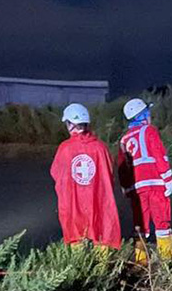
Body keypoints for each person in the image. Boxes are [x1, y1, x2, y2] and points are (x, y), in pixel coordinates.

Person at [50, 103, 122, 250]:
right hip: (97, 200)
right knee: (101, 232)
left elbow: (56, 174)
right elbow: (109, 173)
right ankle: (103, 270)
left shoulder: (65, 148)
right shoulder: (100, 147)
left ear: (70, 124)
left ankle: (80, 268)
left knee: (75, 235)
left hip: (73, 202)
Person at [117, 98, 172, 263]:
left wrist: (126, 188)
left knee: (140, 226)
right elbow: (159, 154)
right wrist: (168, 178)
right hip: (155, 184)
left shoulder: (124, 140)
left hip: (137, 188)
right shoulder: (149, 131)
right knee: (162, 223)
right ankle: (168, 261)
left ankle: (141, 262)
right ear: (143, 115)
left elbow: (122, 167)